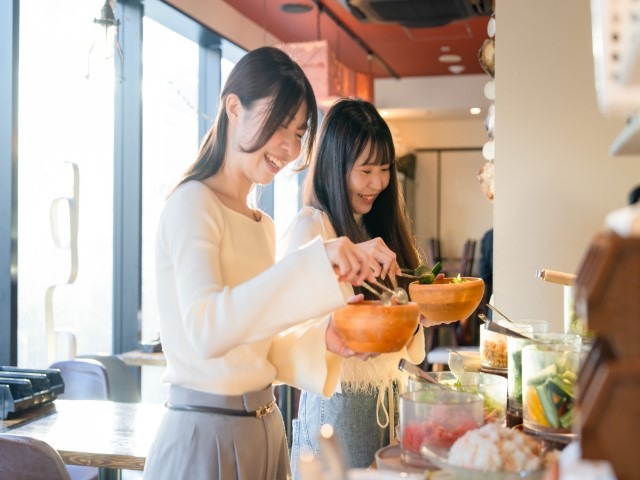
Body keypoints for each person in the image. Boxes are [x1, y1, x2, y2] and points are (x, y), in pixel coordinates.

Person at [143, 47, 382, 480]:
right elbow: (208, 330)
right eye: (279, 125)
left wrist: (325, 339)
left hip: (265, 428)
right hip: (206, 433)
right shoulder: (192, 203)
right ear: (233, 107)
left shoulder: (263, 225)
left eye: (299, 132)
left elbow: (259, 349)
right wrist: (315, 262)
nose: (290, 146)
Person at [279, 98, 427, 475]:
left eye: (385, 169)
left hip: (389, 398)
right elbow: (287, 323)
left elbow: (403, 346)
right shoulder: (311, 226)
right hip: (338, 408)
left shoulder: (373, 224)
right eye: (365, 170)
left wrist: (416, 316)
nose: (377, 183)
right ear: (335, 166)